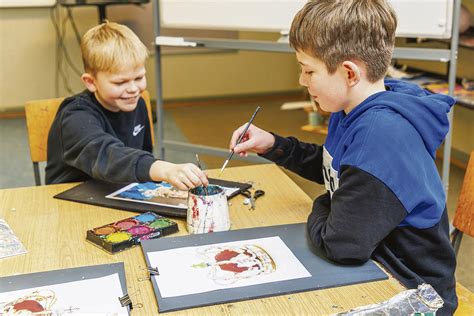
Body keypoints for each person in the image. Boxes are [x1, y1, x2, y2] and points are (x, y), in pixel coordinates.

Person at [229, 1, 457, 314]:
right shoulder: (351, 107)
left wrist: (324, 204)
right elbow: (334, 166)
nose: (302, 80)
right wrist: (273, 145)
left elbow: (341, 244)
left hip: (413, 293)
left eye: (308, 70)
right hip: (372, 264)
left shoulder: (380, 136)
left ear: (348, 72)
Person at [45, 21, 208, 190]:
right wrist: (163, 169)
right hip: (69, 201)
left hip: (118, 193)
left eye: (138, 78)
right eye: (120, 82)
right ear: (91, 82)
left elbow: (140, 156)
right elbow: (107, 156)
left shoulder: (138, 104)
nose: (133, 89)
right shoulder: (75, 115)